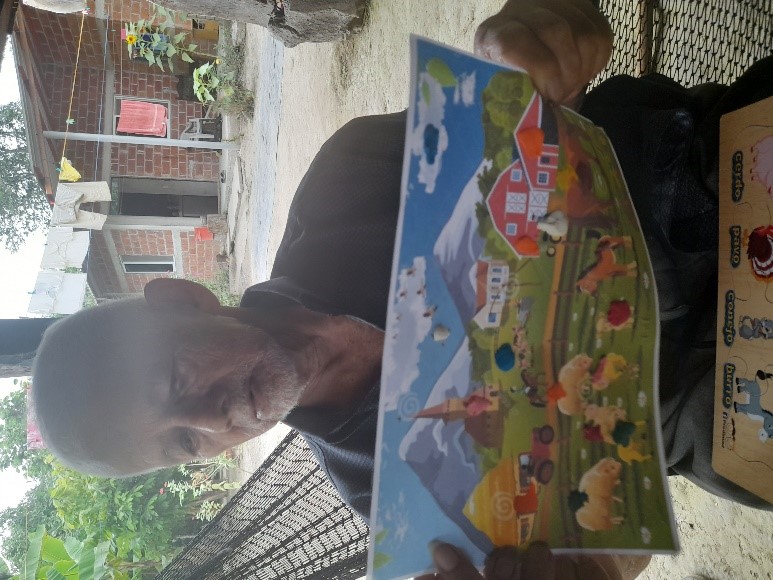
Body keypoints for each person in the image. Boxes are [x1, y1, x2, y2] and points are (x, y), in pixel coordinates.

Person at [31, 0, 772, 577]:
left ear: (183, 300)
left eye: (175, 380)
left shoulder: (348, 181)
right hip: (714, 401)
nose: (213, 415)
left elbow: (536, 92)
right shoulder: (392, 495)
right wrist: (591, 572)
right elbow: (609, 544)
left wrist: (540, 39)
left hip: (706, 196)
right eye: (185, 441)